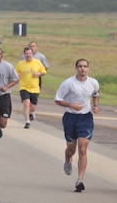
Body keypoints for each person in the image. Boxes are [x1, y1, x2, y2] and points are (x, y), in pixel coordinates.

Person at [54, 58, 100, 192]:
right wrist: (70, 105)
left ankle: (80, 180)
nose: (83, 69)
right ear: (76, 68)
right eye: (80, 66)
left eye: (85, 66)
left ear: (88, 68)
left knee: (82, 148)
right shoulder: (68, 83)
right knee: (71, 150)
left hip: (85, 118)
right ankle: (68, 159)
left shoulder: (93, 82)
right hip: (70, 117)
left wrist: (95, 106)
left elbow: (96, 94)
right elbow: (57, 100)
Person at [15, 47, 47, 129]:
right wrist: (17, 75)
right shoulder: (20, 64)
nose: (28, 55)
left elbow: (44, 72)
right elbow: (16, 72)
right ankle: (27, 121)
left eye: (30, 54)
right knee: (26, 102)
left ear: (32, 54)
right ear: (24, 55)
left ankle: (32, 112)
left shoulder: (37, 62)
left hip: (34, 87)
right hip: (24, 86)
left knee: (32, 107)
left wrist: (38, 74)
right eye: (26, 54)